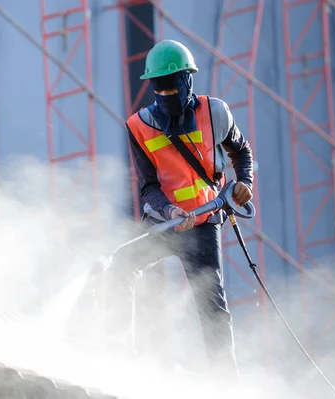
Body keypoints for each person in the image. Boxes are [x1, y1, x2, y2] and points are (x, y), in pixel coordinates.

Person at [104, 39, 254, 381]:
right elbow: (148, 187)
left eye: (173, 85)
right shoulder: (138, 127)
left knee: (211, 306)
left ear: (188, 80)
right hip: (165, 222)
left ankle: (226, 383)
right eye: (160, 87)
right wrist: (169, 211)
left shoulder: (215, 113)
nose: (166, 93)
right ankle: (119, 355)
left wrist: (244, 182)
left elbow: (241, 152)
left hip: (203, 222)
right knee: (120, 268)